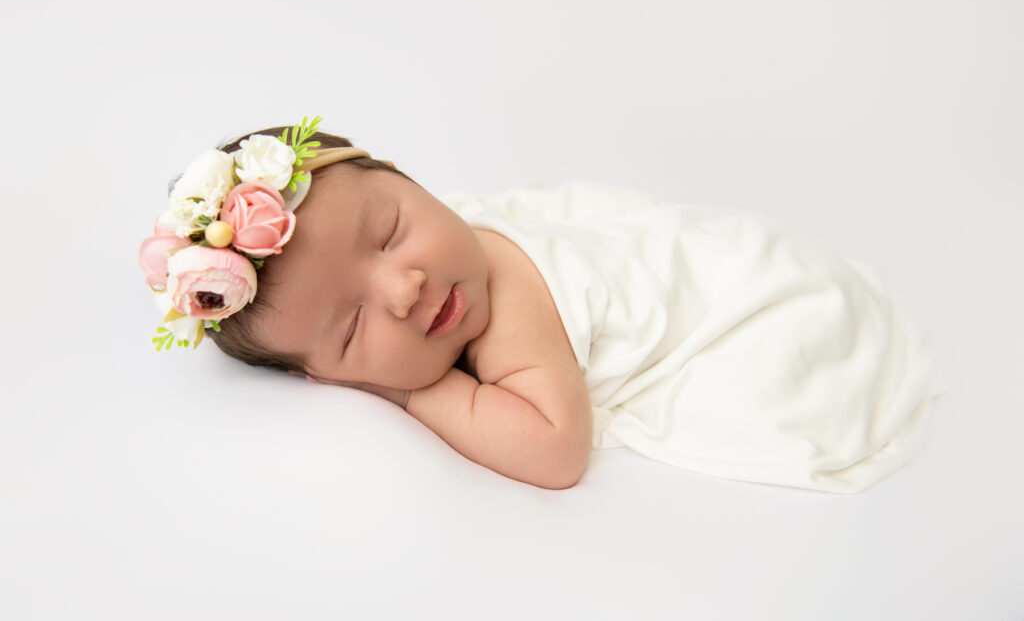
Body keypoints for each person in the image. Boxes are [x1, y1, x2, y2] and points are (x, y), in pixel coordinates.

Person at [139, 117, 944, 493]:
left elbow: (557, 450)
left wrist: (418, 386)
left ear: (411, 181)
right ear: (319, 375)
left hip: (767, 298)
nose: (405, 289)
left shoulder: (516, 296)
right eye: (352, 328)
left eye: (390, 230)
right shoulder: (445, 253)